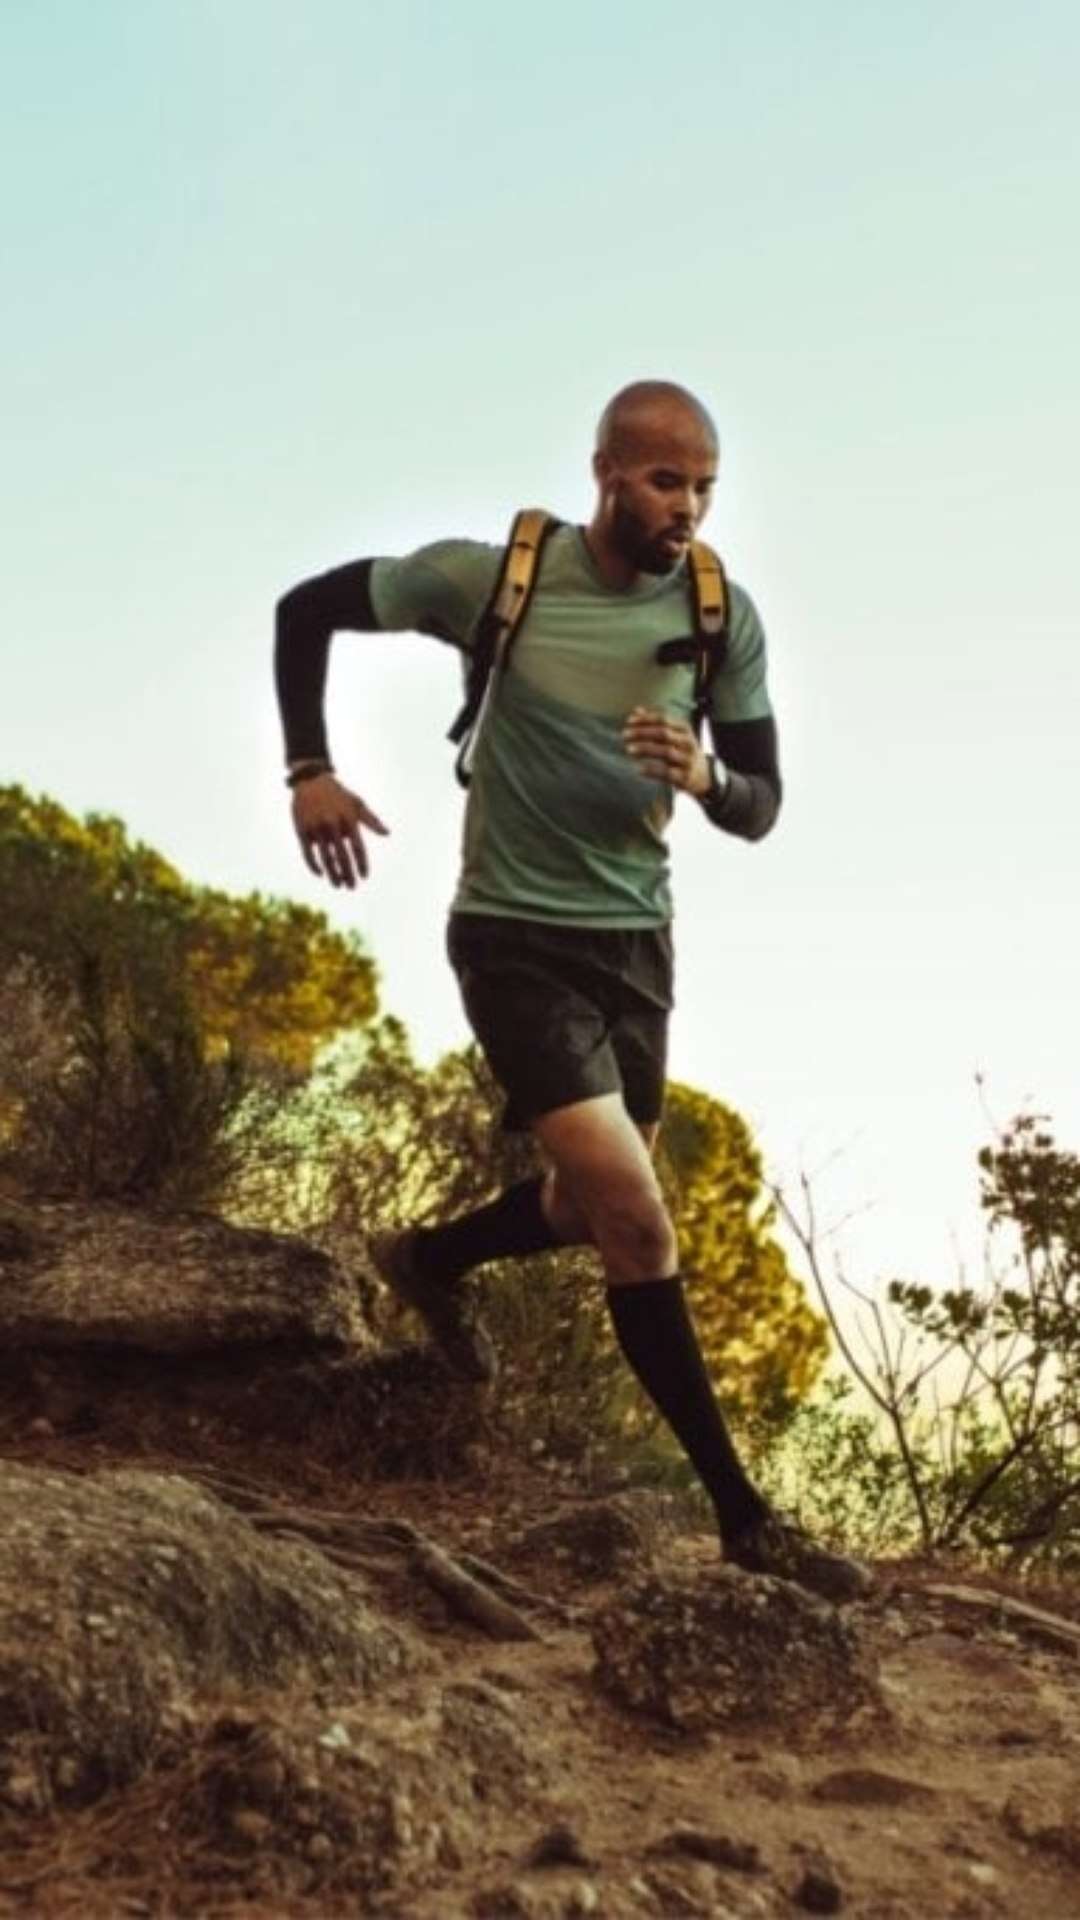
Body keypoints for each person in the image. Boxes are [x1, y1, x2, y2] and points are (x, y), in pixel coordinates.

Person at [274, 379, 869, 1603]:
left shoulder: (719, 617)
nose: (687, 507)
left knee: (590, 1206)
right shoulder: (496, 581)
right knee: (641, 1222)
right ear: (605, 471)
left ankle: (430, 1255)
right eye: (665, 481)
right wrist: (309, 770)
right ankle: (746, 1521)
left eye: (704, 486)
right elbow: (306, 608)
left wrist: (704, 777)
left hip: (636, 946)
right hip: (512, 935)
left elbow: (762, 807)